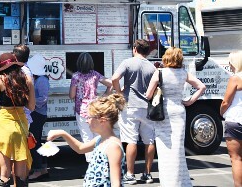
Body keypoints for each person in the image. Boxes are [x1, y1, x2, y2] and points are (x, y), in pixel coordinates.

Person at [145, 47, 206, 187]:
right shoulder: (183, 73)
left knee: (164, 148)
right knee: (177, 148)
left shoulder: (159, 72)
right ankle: (181, 182)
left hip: (163, 112)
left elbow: (148, 95)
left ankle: (168, 182)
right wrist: (190, 100)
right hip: (179, 110)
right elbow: (202, 87)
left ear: (166, 57)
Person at [47, 94, 126, 187]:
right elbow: (80, 148)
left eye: (90, 117)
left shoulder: (113, 146)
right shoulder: (99, 139)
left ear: (102, 120)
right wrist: (63, 133)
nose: (87, 121)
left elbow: (115, 183)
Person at [0, 53, 35, 187]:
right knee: (20, 172)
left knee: (4, 172)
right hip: (20, 124)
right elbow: (31, 106)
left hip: (3, 124)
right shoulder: (27, 80)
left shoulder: (1, 79)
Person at [111, 39, 156, 184]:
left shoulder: (128, 62)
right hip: (147, 106)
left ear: (135, 49)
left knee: (131, 140)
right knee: (149, 140)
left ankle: (130, 174)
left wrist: (119, 93)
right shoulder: (152, 67)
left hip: (130, 106)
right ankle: (147, 173)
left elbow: (114, 78)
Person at [70, 52, 112, 163]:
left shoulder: (76, 76)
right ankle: (101, 161)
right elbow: (111, 84)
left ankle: (91, 163)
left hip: (81, 111)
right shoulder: (95, 75)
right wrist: (103, 97)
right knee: (97, 136)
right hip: (95, 110)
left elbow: (72, 95)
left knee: (86, 138)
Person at [26, 54, 51, 181]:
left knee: (34, 142)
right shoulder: (38, 78)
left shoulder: (42, 80)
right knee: (36, 141)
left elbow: (44, 98)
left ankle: (39, 169)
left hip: (38, 114)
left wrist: (31, 104)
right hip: (36, 113)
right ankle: (43, 169)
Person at [220, 50, 242, 187]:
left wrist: (222, 112)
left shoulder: (235, 78)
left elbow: (226, 102)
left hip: (236, 119)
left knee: (236, 159)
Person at [13, 44, 33, 125]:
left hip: (21, 115)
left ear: (15, 56)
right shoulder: (27, 69)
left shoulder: (21, 71)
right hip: (24, 115)